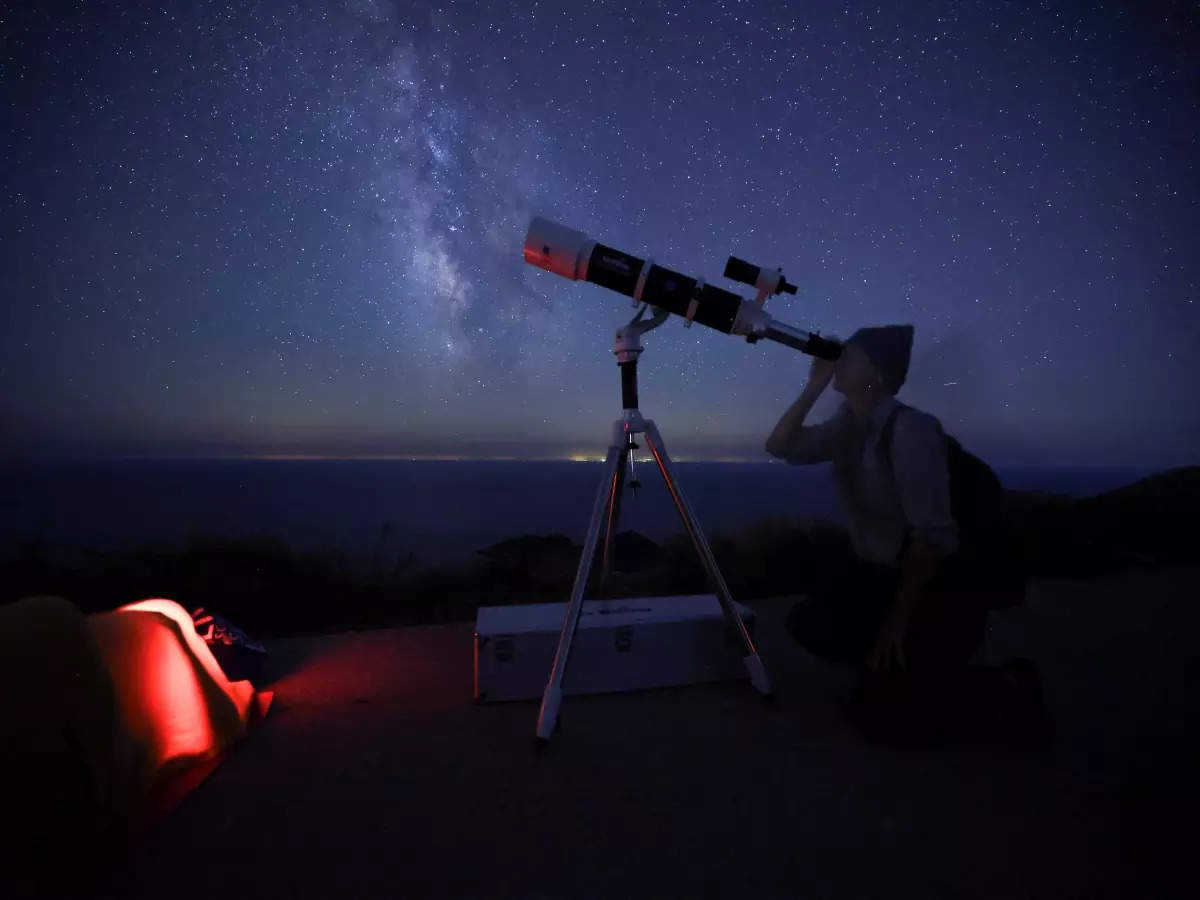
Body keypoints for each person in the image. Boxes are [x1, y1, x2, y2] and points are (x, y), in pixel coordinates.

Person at [765, 325, 1052, 749]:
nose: (838, 361)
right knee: (810, 624)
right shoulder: (848, 426)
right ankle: (893, 673)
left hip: (937, 583)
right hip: (880, 575)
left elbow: (931, 539)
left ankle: (1004, 684)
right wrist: (813, 387)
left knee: (881, 725)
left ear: (875, 377)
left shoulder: (912, 431)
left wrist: (894, 628)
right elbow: (781, 446)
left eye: (850, 356)